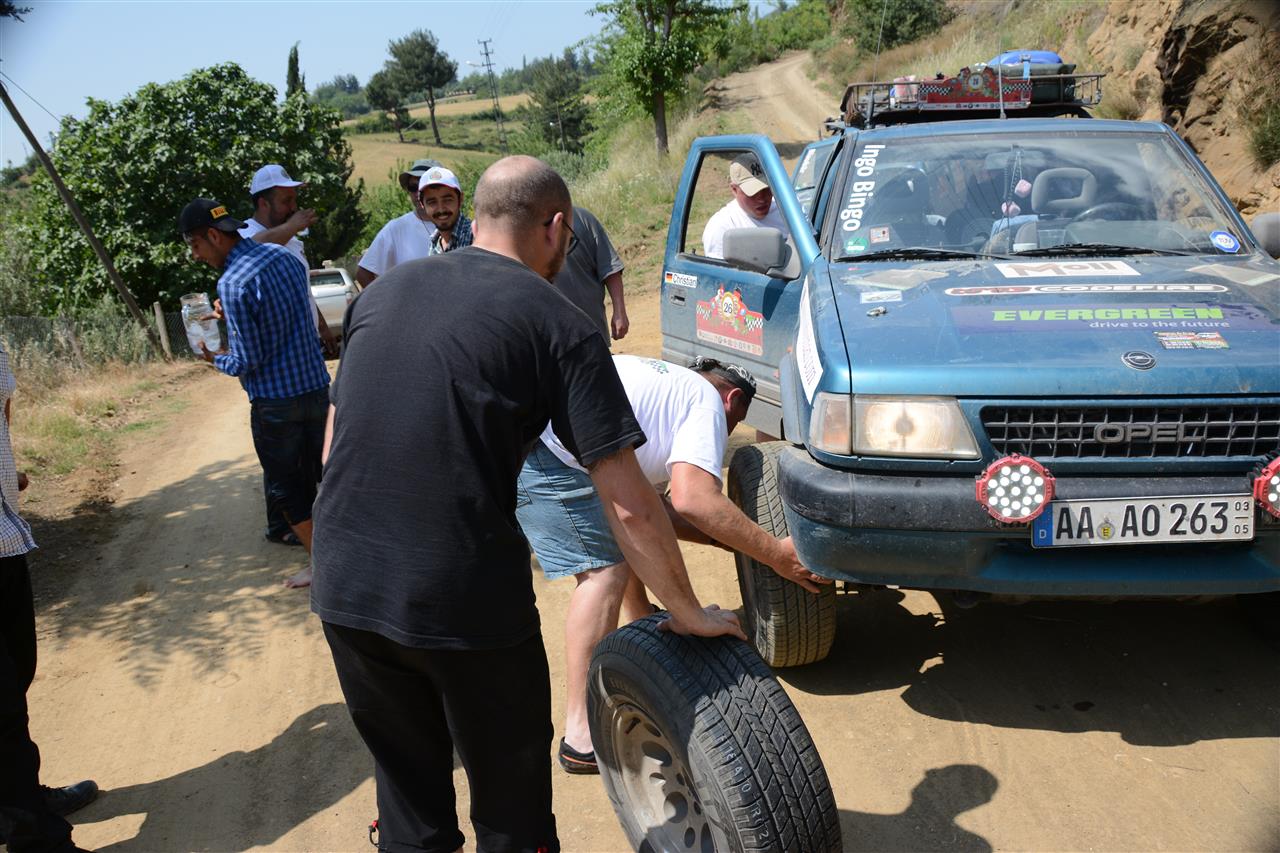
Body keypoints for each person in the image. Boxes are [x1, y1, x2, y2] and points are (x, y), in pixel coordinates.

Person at [310, 155, 743, 853]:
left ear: (477, 217)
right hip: (463, 598)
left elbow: (335, 448)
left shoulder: (380, 296)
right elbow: (628, 501)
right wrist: (687, 611)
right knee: (512, 814)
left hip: (344, 587)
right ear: (556, 227)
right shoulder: (560, 322)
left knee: (409, 804)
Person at [517, 354, 829, 774]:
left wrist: (744, 545)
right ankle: (581, 738)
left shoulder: (665, 395)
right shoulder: (705, 401)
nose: (727, 433)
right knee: (603, 573)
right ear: (732, 399)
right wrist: (776, 555)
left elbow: (654, 514)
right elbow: (694, 500)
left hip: (537, 435)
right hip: (546, 454)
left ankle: (642, 621)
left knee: (621, 540)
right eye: (735, 422)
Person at [179, 198, 330, 589]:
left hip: (275, 406)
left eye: (195, 245)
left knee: (288, 487)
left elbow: (247, 359)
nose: (196, 255)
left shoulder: (232, 283)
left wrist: (216, 359)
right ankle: (350, 553)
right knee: (327, 478)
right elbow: (289, 317)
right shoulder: (284, 258)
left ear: (214, 236)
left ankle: (322, 566)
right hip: (316, 390)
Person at [0, 340, 98, 853]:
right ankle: (33, 837)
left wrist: (4, 473)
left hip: (3, 538)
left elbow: (3, 406)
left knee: (16, 677)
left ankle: (19, 800)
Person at [240, 164, 335, 547]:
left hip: (304, 355)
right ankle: (282, 525)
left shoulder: (292, 238)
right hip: (274, 365)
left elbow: (302, 288)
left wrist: (321, 324)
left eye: (295, 199)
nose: (294, 207)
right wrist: (292, 226)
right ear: (263, 203)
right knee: (282, 452)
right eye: (286, 200)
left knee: (308, 445)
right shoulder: (246, 233)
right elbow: (252, 249)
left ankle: (305, 519)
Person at [355, 158, 442, 288]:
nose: (418, 193)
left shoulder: (463, 227)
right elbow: (364, 273)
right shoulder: (396, 229)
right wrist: (385, 300)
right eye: (413, 187)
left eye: (424, 186)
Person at [552, 206, 628, 342]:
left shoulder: (583, 218)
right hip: (551, 334)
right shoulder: (521, 227)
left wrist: (619, 311)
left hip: (591, 330)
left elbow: (609, 267)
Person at [702, 153, 790, 259]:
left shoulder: (788, 212)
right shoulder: (722, 227)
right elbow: (718, 269)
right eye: (753, 192)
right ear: (734, 189)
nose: (761, 198)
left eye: (766, 189)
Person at [420, 166, 473, 255]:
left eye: (447, 200)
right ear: (422, 205)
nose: (441, 209)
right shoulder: (434, 242)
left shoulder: (476, 238)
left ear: (460, 199)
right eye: (432, 202)